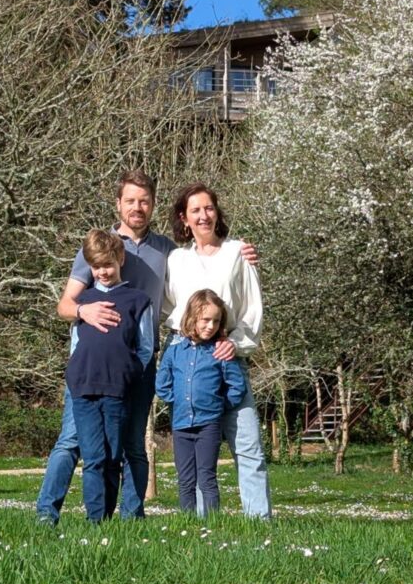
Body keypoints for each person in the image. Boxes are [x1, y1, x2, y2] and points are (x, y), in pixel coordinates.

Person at [36, 170, 258, 525]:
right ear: (118, 204)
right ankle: (47, 514)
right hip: (93, 366)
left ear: (153, 205)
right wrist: (82, 309)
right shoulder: (98, 246)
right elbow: (64, 305)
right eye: (130, 201)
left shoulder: (167, 250)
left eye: (144, 201)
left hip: (139, 362)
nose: (137, 207)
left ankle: (132, 516)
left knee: (134, 445)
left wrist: (239, 251)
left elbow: (204, 263)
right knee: (73, 441)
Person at [163, 182, 271, 519]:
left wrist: (234, 343)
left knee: (248, 445)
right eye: (195, 210)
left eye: (208, 208)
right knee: (196, 451)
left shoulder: (238, 252)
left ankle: (259, 520)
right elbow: (171, 310)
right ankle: (200, 522)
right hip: (191, 366)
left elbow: (252, 309)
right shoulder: (176, 260)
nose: (203, 215)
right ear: (184, 218)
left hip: (227, 359)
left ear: (217, 212)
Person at [64, 230, 153, 522]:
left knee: (114, 455)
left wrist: (129, 373)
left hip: (118, 390)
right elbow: (76, 344)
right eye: (97, 266)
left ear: (120, 260)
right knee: (93, 459)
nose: (103, 271)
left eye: (109, 265)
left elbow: (145, 348)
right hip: (84, 390)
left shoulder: (138, 300)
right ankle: (94, 520)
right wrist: (76, 373)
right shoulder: (84, 301)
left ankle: (110, 515)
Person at [156, 289, 245, 516]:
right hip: (181, 425)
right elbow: (162, 383)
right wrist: (176, 401)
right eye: (205, 320)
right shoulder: (175, 352)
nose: (210, 326)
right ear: (192, 318)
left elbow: (237, 386)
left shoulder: (220, 352)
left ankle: (212, 523)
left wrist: (219, 405)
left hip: (209, 425)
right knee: (185, 479)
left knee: (207, 477)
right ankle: (188, 522)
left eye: (216, 321)